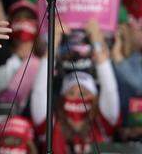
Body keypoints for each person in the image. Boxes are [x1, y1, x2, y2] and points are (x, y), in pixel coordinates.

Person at [30, 20, 120, 153]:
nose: (78, 98)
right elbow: (39, 92)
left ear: (96, 98)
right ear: (61, 97)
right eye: (71, 93)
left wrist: (96, 42)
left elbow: (110, 90)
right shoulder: (51, 124)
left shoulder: (103, 122)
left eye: (83, 93)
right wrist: (53, 43)